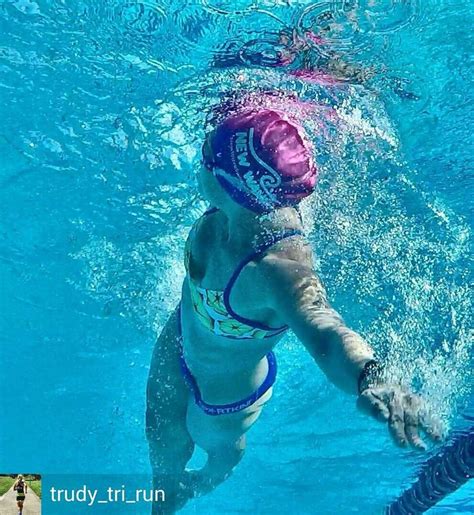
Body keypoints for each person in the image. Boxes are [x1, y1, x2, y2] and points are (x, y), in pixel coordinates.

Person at [146, 100, 443, 514]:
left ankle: (196, 489)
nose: (200, 160)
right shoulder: (239, 203)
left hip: (224, 394)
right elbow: (266, 143)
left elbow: (324, 327)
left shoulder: (276, 269)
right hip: (178, 337)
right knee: (161, 441)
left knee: (216, 456)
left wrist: (371, 377)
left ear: (232, 185)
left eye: (207, 157)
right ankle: (163, 501)